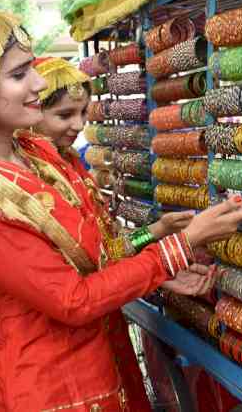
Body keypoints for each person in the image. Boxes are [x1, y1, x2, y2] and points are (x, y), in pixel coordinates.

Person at [0, 5, 242, 411]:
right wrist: (181, 245)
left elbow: (94, 257)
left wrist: (157, 259)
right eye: (18, 75)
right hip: (41, 389)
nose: (38, 83)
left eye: (32, 68)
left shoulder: (37, 158)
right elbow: (72, 299)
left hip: (100, 367)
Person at [31, 55, 194, 410]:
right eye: (63, 115)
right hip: (57, 357)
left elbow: (108, 252)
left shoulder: (71, 166)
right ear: (32, 111)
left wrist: (155, 231)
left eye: (82, 113)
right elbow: (77, 288)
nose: (77, 125)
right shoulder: (32, 183)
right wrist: (169, 257)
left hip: (100, 337)